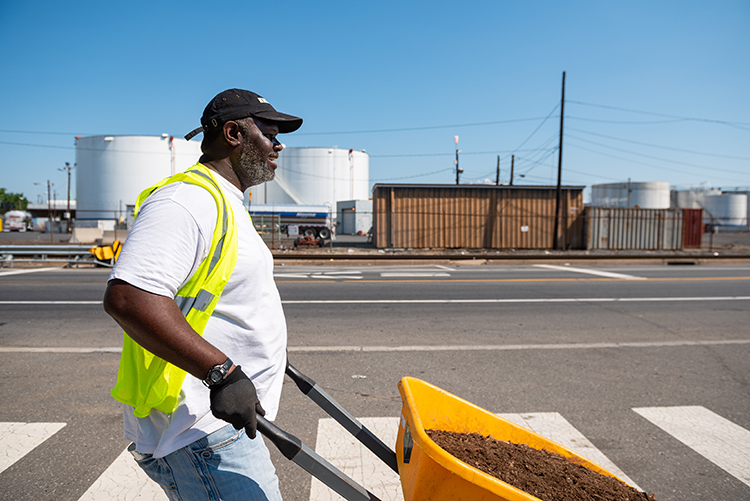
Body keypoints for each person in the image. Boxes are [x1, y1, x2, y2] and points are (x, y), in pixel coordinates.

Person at [103, 89, 303, 500]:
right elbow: (129, 298)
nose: (279, 145)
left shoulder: (225, 201)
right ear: (233, 133)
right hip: (200, 431)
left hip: (221, 426)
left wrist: (265, 353)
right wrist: (221, 371)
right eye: (269, 132)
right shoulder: (187, 200)